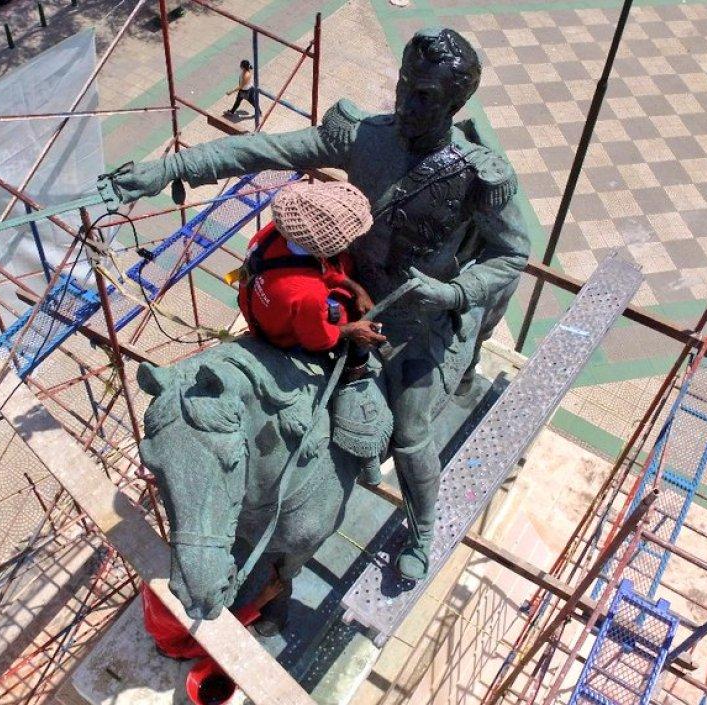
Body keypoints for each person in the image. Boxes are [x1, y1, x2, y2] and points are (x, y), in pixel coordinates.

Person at [102, 28, 531, 580]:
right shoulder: (367, 138)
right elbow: (263, 149)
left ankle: (424, 525)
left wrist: (454, 292)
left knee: (409, 429)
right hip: (346, 298)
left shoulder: (477, 176)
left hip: (419, 321)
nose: (404, 101)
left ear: (455, 103)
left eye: (422, 94)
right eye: (403, 84)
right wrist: (170, 170)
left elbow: (513, 254)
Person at [237, 181, 385, 372]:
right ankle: (352, 370)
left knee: (344, 269)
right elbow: (318, 340)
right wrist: (353, 330)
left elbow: (315, 267)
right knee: (343, 313)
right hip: (278, 335)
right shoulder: (309, 293)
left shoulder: (272, 232)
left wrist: (357, 289)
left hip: (258, 305)